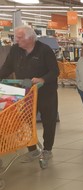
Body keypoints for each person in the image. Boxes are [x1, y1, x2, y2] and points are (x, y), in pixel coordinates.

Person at [0, 25, 59, 162]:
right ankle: (33, 150)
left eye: (19, 38)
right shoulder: (15, 50)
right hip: (26, 92)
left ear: (30, 38)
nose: (16, 40)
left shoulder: (45, 50)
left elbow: (55, 71)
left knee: (48, 121)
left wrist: (42, 79)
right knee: (25, 121)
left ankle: (47, 149)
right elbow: (7, 68)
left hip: (46, 92)